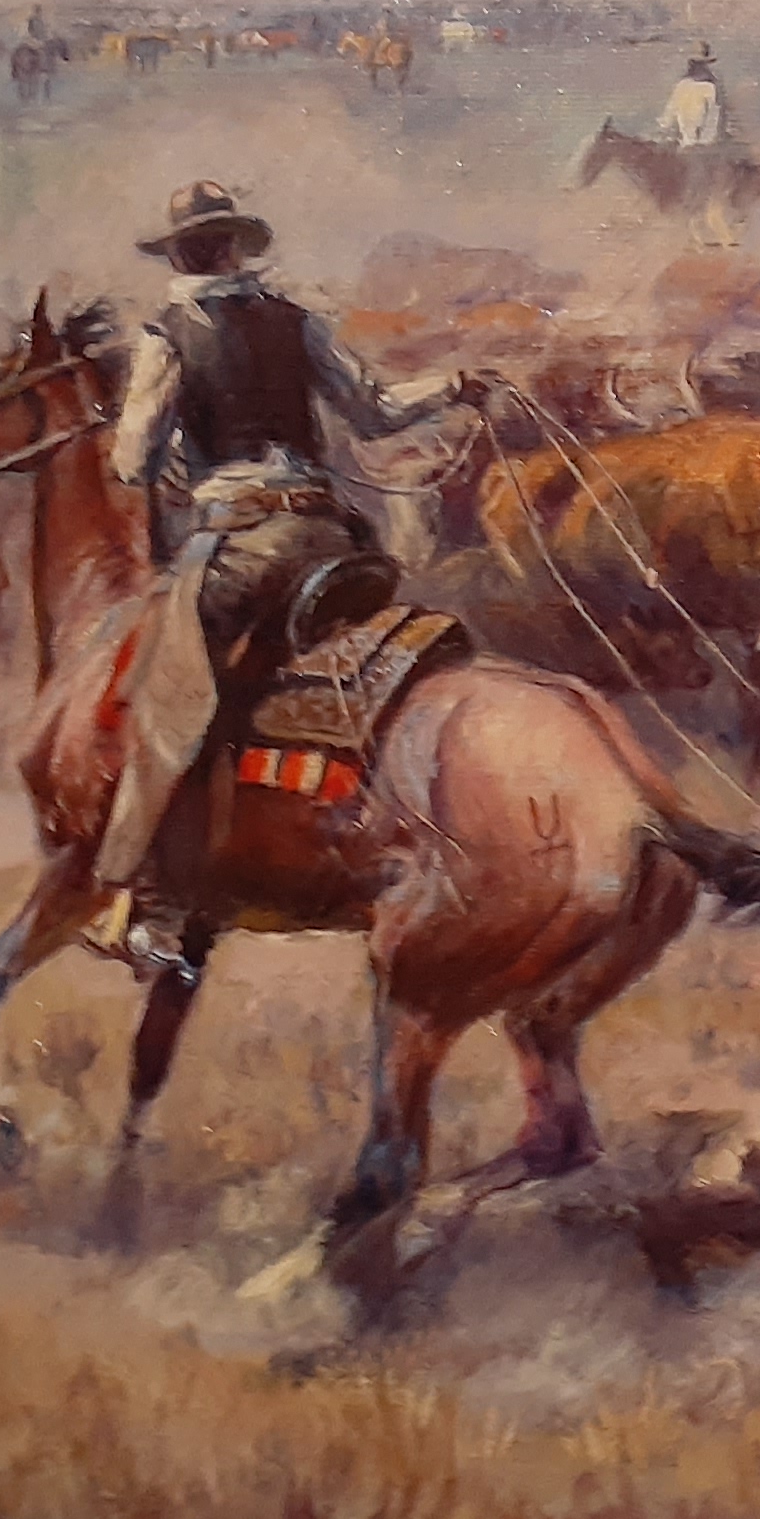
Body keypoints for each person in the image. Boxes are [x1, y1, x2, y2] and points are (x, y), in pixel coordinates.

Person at [86, 179, 480, 981]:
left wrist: (171, 462)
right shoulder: (298, 321)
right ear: (235, 248)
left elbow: (130, 461)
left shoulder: (166, 336)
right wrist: (455, 387)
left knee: (168, 693)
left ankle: (148, 902)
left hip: (244, 548)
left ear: (182, 256)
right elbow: (375, 412)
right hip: (331, 541)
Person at [657, 43, 726, 150]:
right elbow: (668, 116)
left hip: (698, 146)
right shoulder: (684, 85)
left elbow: (712, 121)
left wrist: (703, 144)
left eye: (698, 64)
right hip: (689, 144)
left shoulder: (708, 87)